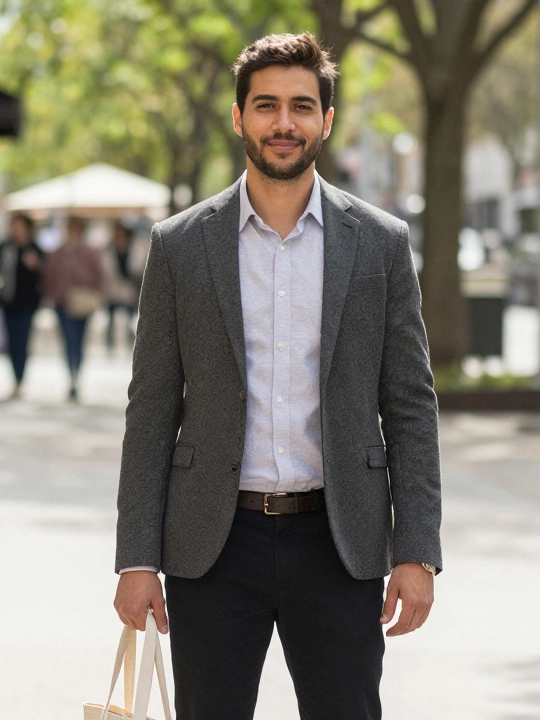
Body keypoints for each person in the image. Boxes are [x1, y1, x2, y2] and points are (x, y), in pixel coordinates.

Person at [112, 33, 441, 719]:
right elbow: (151, 410)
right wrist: (136, 558)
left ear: (326, 119)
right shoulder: (180, 245)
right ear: (239, 118)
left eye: (301, 106)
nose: (283, 123)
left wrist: (416, 549)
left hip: (339, 541)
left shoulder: (380, 243)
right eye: (265, 105)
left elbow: (410, 404)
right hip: (212, 544)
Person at [0, 213, 45, 400]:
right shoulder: (4, 247)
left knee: (22, 341)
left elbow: (45, 275)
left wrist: (36, 267)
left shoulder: (34, 249)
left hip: (27, 304)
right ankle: (15, 378)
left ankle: (19, 379)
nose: (15, 230)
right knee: (11, 341)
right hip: (7, 302)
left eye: (19, 226)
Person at [45, 217, 106, 402]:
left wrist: (96, 295)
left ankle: (76, 374)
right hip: (62, 302)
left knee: (79, 340)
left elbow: (99, 275)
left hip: (82, 302)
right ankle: (71, 375)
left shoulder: (89, 251)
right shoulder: (58, 251)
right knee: (68, 339)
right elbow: (49, 275)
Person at [101, 220, 147, 353]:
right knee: (110, 320)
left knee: (129, 319)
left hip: (128, 290)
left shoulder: (134, 248)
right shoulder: (109, 249)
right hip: (113, 291)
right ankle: (110, 346)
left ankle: (130, 346)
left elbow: (137, 268)